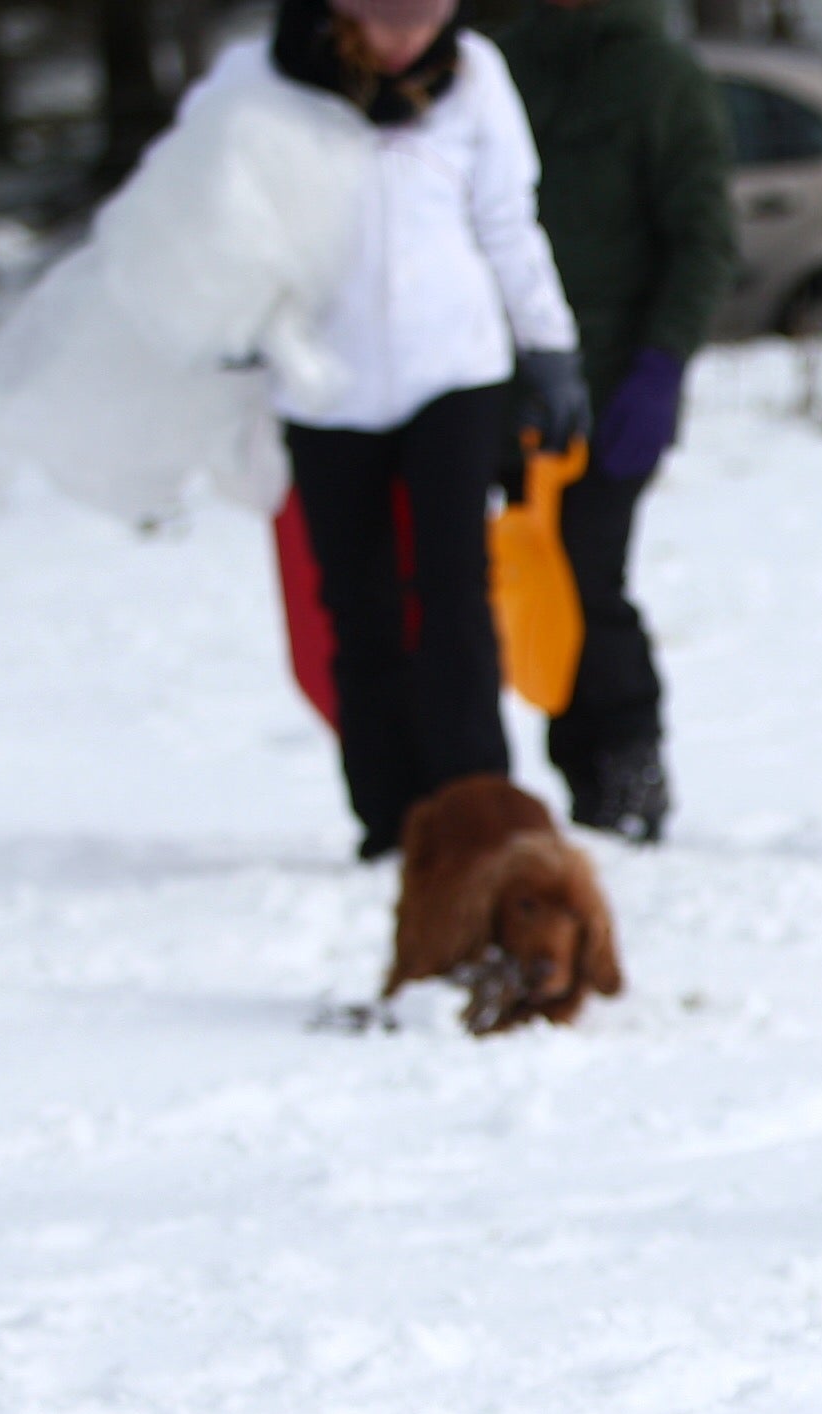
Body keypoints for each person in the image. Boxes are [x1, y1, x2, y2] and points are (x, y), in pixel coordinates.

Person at [266, 0, 586, 862]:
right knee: (357, 602)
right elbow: (227, 226)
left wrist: (548, 345)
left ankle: (477, 800)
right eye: (388, 18)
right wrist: (233, 324)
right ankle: (390, 812)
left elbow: (508, 221)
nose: (408, 36)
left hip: (453, 368)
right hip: (325, 383)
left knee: (456, 592)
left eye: (425, 15)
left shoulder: (473, 75)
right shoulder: (276, 84)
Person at [495, 0, 739, 843]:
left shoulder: (661, 77)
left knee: (586, 577)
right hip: (499, 385)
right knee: (528, 585)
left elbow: (704, 238)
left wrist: (662, 363)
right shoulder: (494, 64)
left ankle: (628, 767)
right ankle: (573, 775)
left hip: (614, 386)